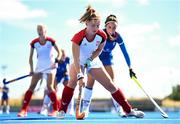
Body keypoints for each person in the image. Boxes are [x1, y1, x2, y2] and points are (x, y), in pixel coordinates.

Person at [58, 5, 144, 119]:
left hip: (92, 60)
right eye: (93, 25)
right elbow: (76, 58)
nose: (95, 28)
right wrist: (80, 75)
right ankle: (62, 110)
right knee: (72, 82)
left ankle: (128, 110)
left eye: (98, 25)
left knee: (111, 85)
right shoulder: (77, 37)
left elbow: (98, 50)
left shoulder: (102, 35)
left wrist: (90, 59)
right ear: (86, 24)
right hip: (78, 60)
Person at [81, 14, 139, 117]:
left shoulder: (118, 37)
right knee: (90, 82)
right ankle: (85, 109)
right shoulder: (99, 34)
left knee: (112, 83)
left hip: (107, 59)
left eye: (114, 27)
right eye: (109, 27)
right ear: (105, 26)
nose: (112, 30)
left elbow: (125, 52)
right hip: (95, 58)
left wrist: (130, 67)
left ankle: (119, 109)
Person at [17, 24, 61, 117]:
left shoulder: (51, 41)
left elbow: (59, 53)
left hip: (50, 67)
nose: (40, 30)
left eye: (41, 29)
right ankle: (24, 110)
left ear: (45, 30)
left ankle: (56, 110)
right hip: (39, 67)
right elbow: (30, 58)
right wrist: (31, 70)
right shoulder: (34, 43)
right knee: (31, 87)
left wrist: (57, 60)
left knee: (49, 87)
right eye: (38, 29)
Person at [40, 49, 74, 116]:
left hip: (65, 75)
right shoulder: (55, 60)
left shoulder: (68, 59)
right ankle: (45, 108)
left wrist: (68, 71)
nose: (63, 57)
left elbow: (71, 67)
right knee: (51, 90)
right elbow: (51, 69)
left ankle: (71, 109)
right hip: (57, 76)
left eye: (64, 55)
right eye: (62, 55)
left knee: (69, 89)